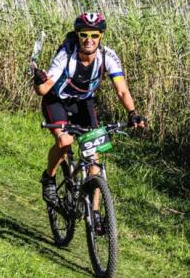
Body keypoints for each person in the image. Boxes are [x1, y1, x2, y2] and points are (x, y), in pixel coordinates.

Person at [33, 12, 147, 228]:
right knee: (65, 142)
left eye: (94, 35)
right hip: (56, 100)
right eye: (84, 34)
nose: (89, 40)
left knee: (93, 157)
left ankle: (93, 213)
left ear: (100, 36)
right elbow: (44, 89)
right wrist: (39, 81)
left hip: (83, 104)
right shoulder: (66, 55)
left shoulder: (108, 56)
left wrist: (132, 113)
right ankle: (49, 177)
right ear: (78, 34)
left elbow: (122, 90)